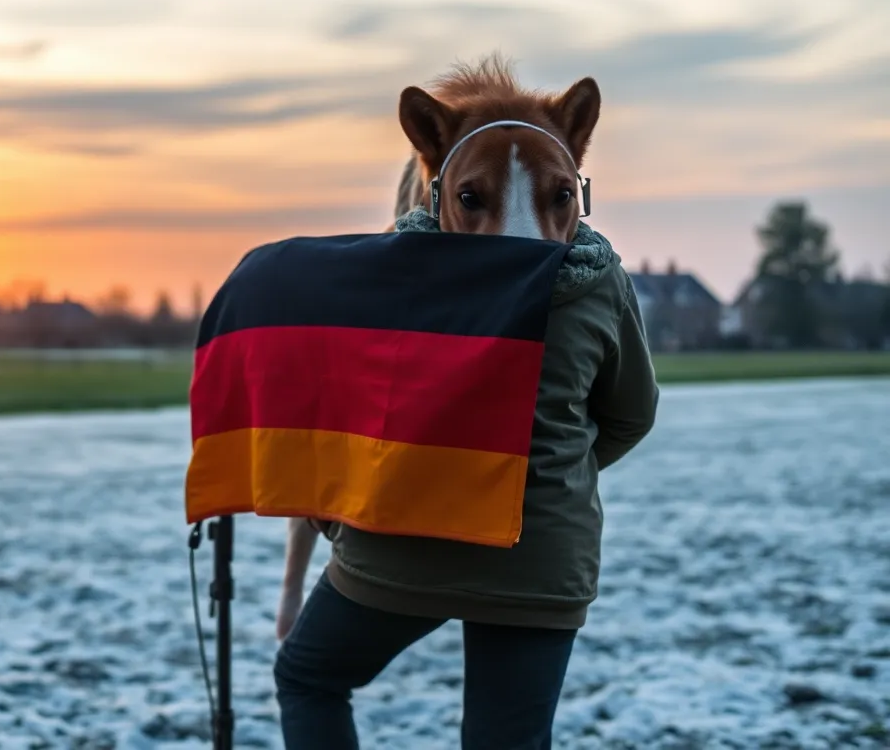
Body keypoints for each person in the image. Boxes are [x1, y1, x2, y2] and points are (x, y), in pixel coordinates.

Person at [273, 218, 660, 749]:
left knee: (307, 677)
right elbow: (631, 417)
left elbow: (345, 404)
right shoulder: (599, 280)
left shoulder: (388, 271)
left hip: (401, 544)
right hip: (537, 554)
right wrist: (540, 478)